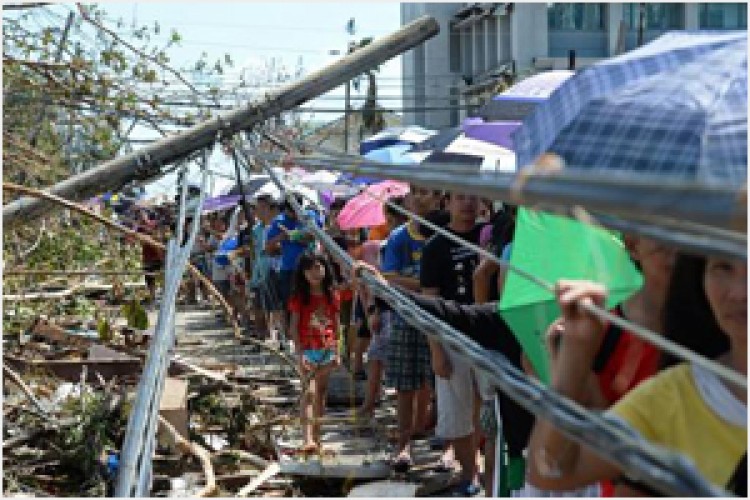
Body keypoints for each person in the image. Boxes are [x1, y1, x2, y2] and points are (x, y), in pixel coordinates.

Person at [527, 254, 747, 495]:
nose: (738, 293)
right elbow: (551, 469)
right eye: (722, 267)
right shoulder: (675, 395)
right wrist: (575, 355)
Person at [420, 191, 483, 496]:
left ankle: (488, 470)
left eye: (472, 197)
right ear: (448, 203)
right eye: (460, 198)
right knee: (456, 410)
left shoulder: (490, 237)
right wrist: (436, 349)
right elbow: (429, 302)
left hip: (490, 334)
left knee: (489, 405)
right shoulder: (435, 247)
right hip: (451, 335)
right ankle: (469, 474)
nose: (468, 203)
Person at [379, 186, 443, 471]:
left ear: (441, 198)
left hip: (440, 319)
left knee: (440, 383)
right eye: (415, 192)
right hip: (406, 318)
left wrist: (414, 283)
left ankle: (445, 444)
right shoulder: (398, 238)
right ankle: (403, 443)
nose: (420, 197)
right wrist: (428, 285)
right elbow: (389, 278)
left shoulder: (446, 235)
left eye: (427, 192)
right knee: (405, 385)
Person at [288, 251, 341, 453]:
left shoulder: (332, 295)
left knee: (321, 394)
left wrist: (337, 351)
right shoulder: (300, 298)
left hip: (326, 349)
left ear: (326, 269)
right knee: (308, 393)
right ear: (302, 273)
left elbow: (337, 325)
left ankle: (318, 436)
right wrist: (299, 353)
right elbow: (293, 327)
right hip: (307, 349)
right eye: (309, 269)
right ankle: (307, 438)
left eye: (318, 267)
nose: (315, 272)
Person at [266, 196, 321, 347]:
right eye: (290, 212)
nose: (294, 215)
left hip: (308, 267)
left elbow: (313, 235)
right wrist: (282, 236)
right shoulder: (278, 221)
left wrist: (294, 235)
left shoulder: (309, 217)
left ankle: (310, 335)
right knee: (288, 305)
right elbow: (269, 248)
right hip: (288, 269)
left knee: (310, 301)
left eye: (296, 210)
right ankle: (287, 338)